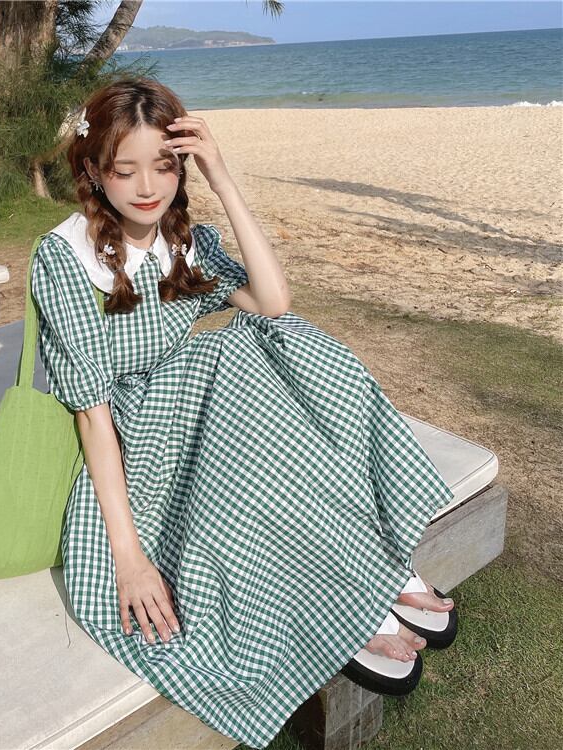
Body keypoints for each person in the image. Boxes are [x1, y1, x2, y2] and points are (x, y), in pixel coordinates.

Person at [31, 77, 457, 749]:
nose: (147, 187)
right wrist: (129, 557)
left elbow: (274, 302)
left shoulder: (185, 240)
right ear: (91, 169)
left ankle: (363, 569)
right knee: (238, 364)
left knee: (281, 340)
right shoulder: (64, 259)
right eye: (124, 169)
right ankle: (351, 596)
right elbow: (92, 415)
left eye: (164, 166)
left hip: (198, 410)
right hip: (136, 441)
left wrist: (222, 179)